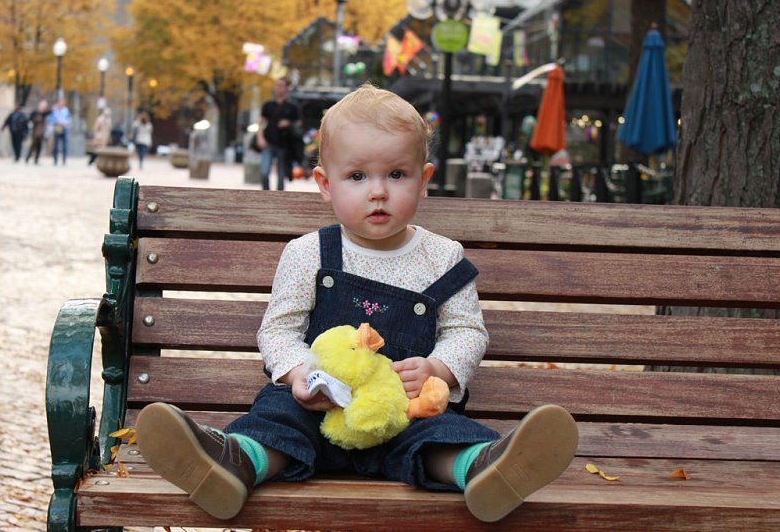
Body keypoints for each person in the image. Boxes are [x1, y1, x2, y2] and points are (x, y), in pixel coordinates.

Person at [135, 84, 578, 523]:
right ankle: (234, 464)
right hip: (320, 410)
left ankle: (484, 470)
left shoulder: (444, 257)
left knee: (440, 435)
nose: (378, 192)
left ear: (424, 180)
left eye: (397, 175)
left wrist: (437, 369)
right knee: (278, 419)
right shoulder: (308, 253)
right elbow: (278, 330)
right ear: (326, 184)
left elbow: (466, 331)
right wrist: (300, 376)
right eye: (358, 176)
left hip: (404, 411)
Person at [254, 77, 301, 190]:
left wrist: (288, 123)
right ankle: (266, 196)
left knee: (281, 177)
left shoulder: (292, 107)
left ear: (286, 88)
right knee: (264, 173)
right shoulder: (268, 105)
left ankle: (278, 202)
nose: (278, 88)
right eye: (277, 85)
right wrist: (260, 137)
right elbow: (260, 122)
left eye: (281, 85)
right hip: (268, 143)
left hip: (284, 145)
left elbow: (299, 124)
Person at [25, 100, 50, 165]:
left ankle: (36, 159)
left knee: (39, 146)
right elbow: (30, 120)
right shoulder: (35, 113)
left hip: (41, 133)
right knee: (33, 146)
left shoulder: (44, 114)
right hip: (35, 133)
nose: (43, 108)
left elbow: (50, 112)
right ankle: (28, 158)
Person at [49, 98, 71, 165]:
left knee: (64, 145)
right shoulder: (55, 110)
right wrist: (56, 122)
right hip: (57, 128)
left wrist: (66, 123)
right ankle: (55, 159)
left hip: (64, 128)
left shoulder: (66, 110)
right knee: (56, 145)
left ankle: (64, 159)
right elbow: (51, 119)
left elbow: (69, 119)